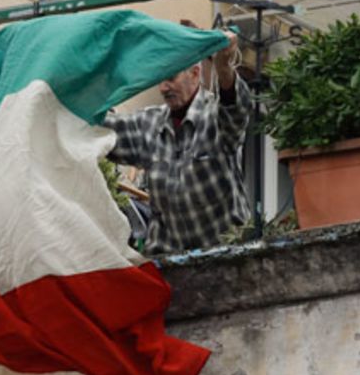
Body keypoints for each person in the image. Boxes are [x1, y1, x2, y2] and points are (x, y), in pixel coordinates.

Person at [104, 30, 252, 253]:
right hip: (168, 261)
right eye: (160, 79)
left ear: (195, 74)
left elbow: (236, 108)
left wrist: (224, 68)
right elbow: (103, 131)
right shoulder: (149, 123)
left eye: (171, 78)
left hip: (225, 257)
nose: (163, 87)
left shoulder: (215, 119)